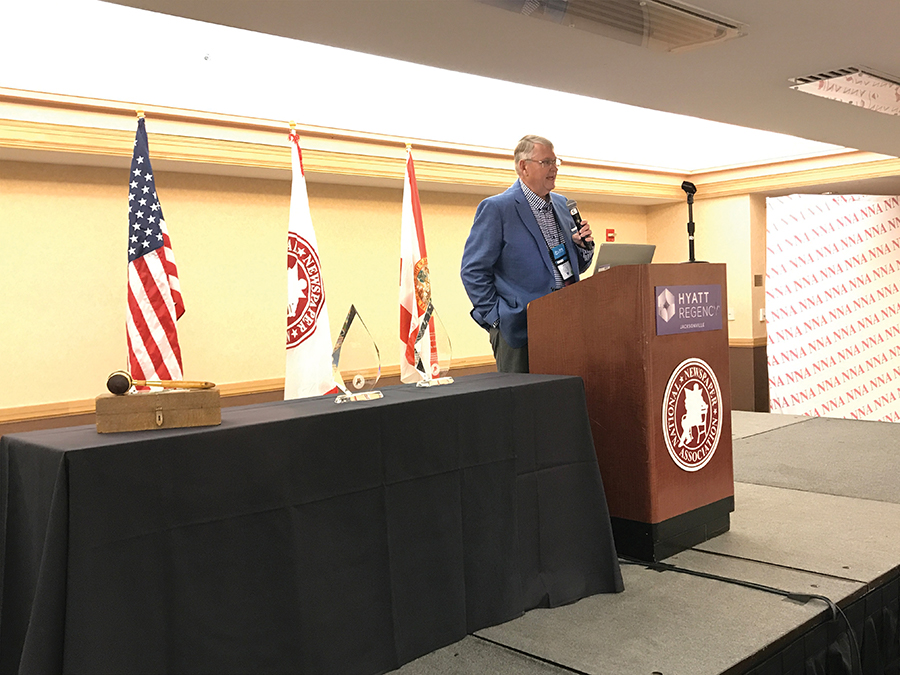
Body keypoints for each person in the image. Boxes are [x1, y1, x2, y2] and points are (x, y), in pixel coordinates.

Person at [460, 135, 594, 373]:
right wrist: (497, 319)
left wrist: (582, 248)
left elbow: (574, 268)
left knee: (563, 400)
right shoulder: (498, 208)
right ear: (523, 167)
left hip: (568, 324)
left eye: (556, 162)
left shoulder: (563, 206)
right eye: (546, 162)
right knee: (522, 407)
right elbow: (473, 271)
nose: (554, 168)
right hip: (520, 329)